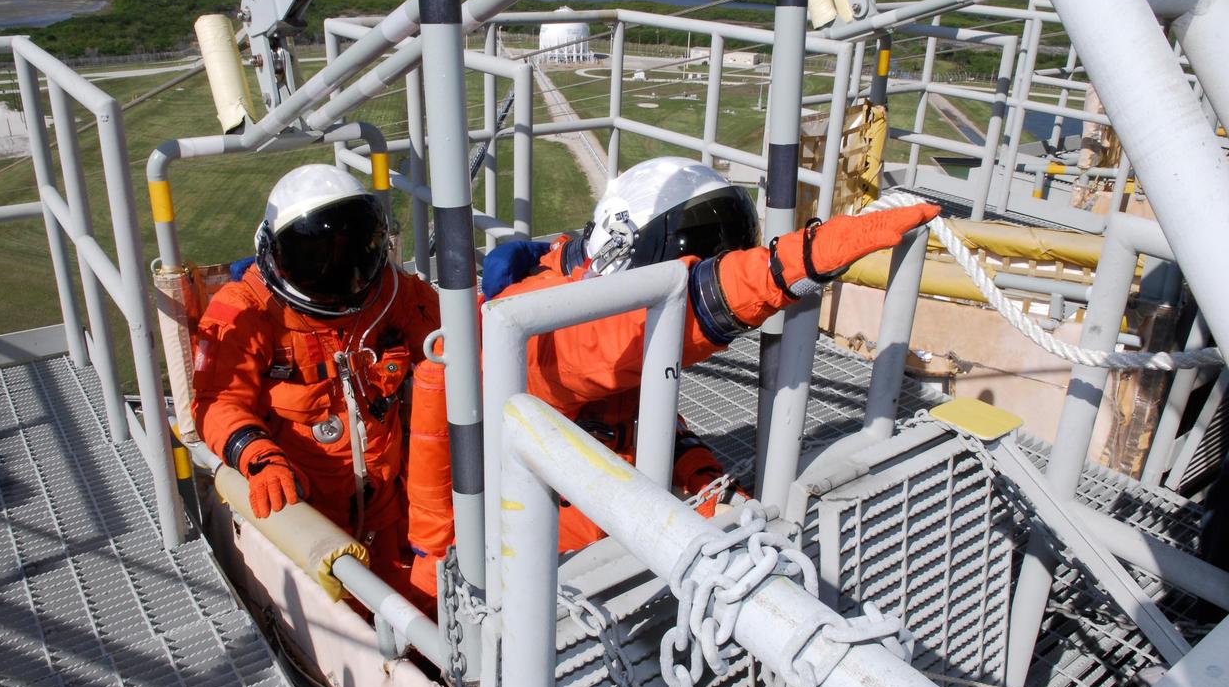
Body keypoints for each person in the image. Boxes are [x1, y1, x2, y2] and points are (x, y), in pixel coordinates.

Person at [407, 156, 939, 584]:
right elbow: (657, 319)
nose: (710, 265)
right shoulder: (538, 324)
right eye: (703, 255)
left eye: (726, 253)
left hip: (562, 508)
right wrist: (792, 264)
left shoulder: (584, 300)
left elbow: (643, 417)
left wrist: (702, 478)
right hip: (494, 559)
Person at [192, 163, 440, 595]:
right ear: (276, 255)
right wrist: (256, 453)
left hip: (387, 509)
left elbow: (451, 335)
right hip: (306, 516)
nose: (340, 274)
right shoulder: (248, 311)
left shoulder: (388, 293)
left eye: (351, 256)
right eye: (317, 260)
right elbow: (216, 400)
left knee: (416, 606)